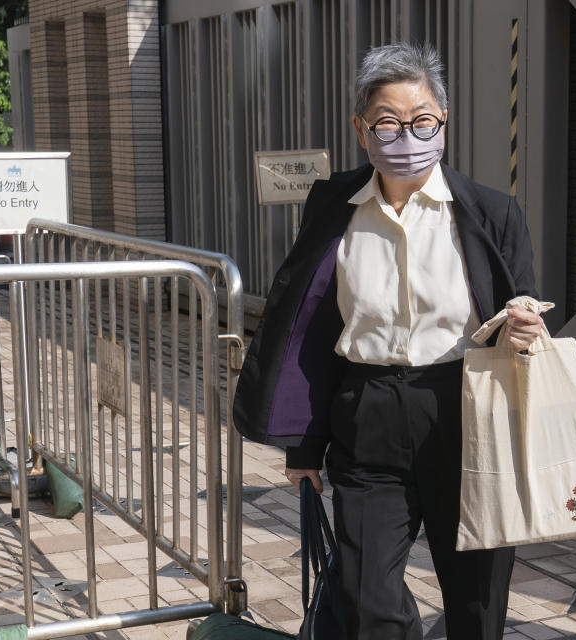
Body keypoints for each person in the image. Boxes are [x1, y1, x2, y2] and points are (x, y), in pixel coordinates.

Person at [233, 42, 545, 640]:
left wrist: (525, 328)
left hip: (466, 413)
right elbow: (311, 328)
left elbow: (520, 311)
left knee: (477, 604)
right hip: (367, 414)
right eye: (388, 123)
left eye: (423, 120)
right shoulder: (334, 208)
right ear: (361, 128)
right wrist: (303, 448)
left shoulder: (490, 214)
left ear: (444, 124)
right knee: (366, 596)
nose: (408, 135)